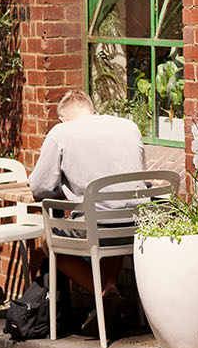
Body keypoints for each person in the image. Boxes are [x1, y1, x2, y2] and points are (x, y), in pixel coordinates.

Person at [28, 89, 145, 300]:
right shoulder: (128, 126)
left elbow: (39, 187)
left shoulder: (62, 132)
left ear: (63, 119)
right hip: (138, 226)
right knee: (111, 217)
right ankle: (109, 292)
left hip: (97, 226)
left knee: (49, 242)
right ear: (93, 111)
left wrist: (63, 186)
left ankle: (103, 293)